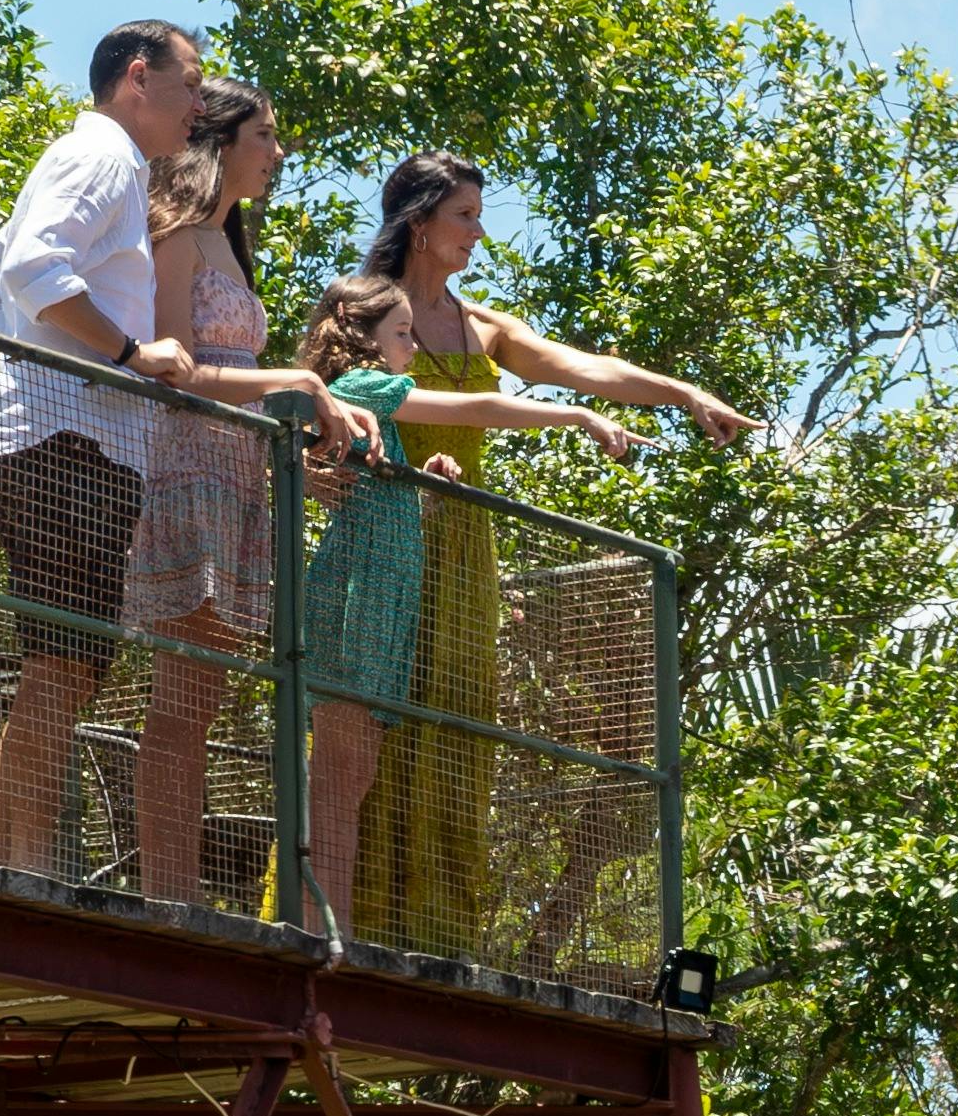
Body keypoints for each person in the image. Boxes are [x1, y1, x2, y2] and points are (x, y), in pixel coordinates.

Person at [349, 151, 757, 961]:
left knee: (459, 728)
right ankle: (350, 917)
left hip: (464, 559)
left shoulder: (482, 327)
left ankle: (434, 939)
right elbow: (322, 412)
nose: (478, 230)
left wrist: (683, 393)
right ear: (421, 222)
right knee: (369, 724)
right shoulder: (366, 315)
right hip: (384, 540)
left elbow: (582, 369)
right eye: (464, 214)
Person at [290, 273, 637, 939]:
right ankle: (317, 928)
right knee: (339, 771)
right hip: (359, 597)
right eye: (400, 335)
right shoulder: (362, 387)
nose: (411, 350)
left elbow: (373, 490)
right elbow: (478, 407)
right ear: (363, 339)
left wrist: (421, 477)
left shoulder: (372, 409)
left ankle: (327, 922)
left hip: (385, 601)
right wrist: (575, 412)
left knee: (354, 768)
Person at [0, 18, 203, 876]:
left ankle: (13, 863)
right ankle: (16, 870)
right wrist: (131, 355)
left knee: (65, 662)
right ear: (140, 77)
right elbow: (29, 270)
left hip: (58, 431)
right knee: (64, 663)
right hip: (65, 438)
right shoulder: (102, 157)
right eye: (191, 85)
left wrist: (35, 352)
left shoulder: (107, 166)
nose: (198, 107)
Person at [123, 85, 378, 904]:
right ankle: (168, 888)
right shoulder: (178, 236)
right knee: (182, 690)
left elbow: (244, 384)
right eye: (265, 135)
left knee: (203, 695)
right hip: (186, 471)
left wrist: (304, 448)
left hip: (242, 480)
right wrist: (305, 379)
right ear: (220, 141)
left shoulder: (231, 247)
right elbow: (180, 370)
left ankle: (177, 883)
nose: (277, 153)